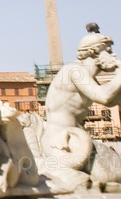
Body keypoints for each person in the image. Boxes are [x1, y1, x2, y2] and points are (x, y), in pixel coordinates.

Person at [41, 26, 121, 190]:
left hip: (75, 138)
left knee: (115, 174)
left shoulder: (87, 77)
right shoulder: (75, 71)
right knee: (111, 175)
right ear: (94, 52)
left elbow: (111, 101)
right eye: (108, 51)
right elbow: (104, 96)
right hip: (63, 140)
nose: (113, 55)